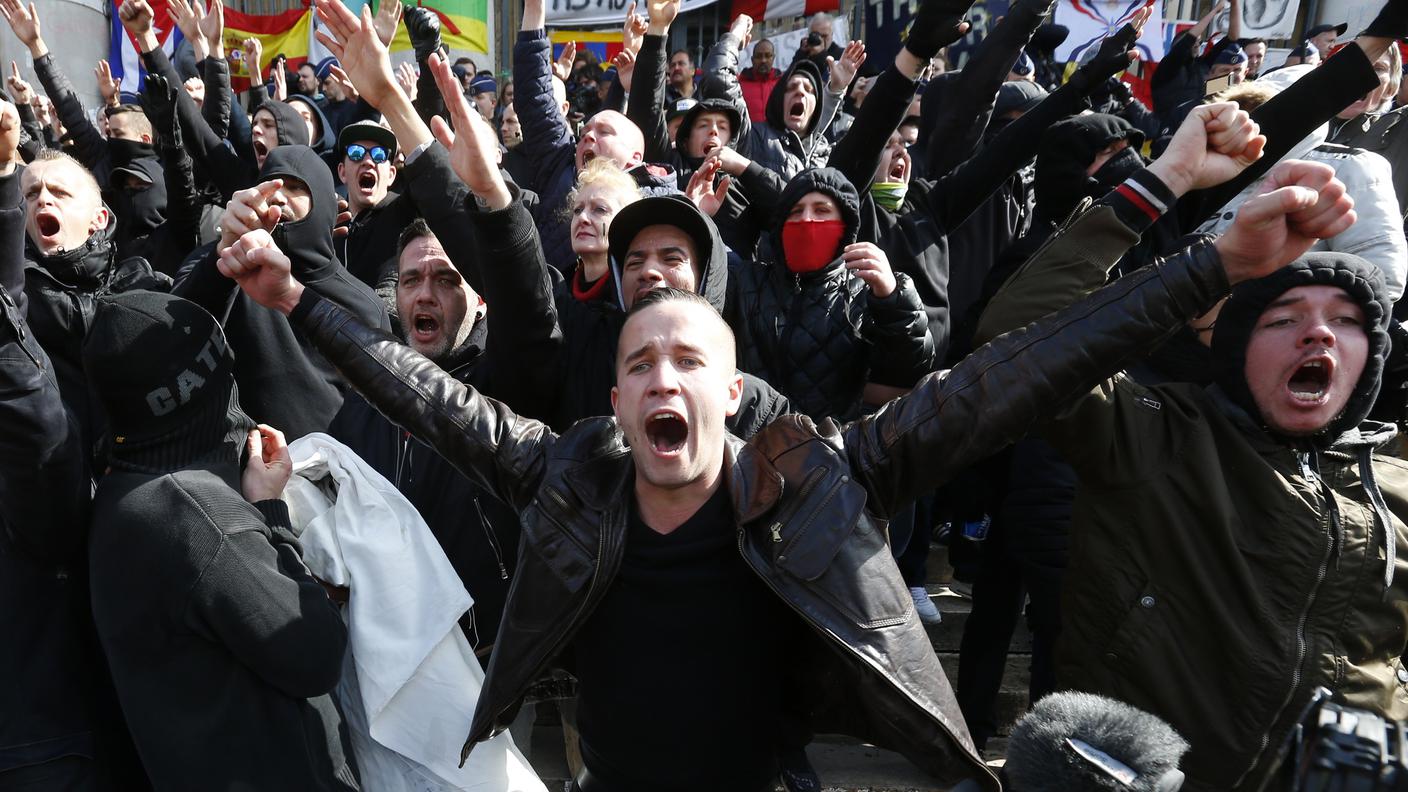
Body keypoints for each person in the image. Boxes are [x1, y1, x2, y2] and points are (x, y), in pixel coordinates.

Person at [216, 68, 1317, 789]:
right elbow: (429, 397)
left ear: (732, 392)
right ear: (615, 403)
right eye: (639, 361)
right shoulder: (572, 476)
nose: (662, 376)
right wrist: (295, 299)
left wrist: (1210, 263)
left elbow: (1012, 377)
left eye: (689, 358)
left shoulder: (823, 481)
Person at [976, 153, 1396, 789]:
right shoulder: (1156, 433)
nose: (1319, 336)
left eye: (1345, 321)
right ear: (1234, 349)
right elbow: (1019, 332)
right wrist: (1181, 200)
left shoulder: (1392, 479)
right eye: (1283, 320)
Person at [81, 290, 355, 790]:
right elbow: (314, 654)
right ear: (200, 390)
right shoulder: (199, 513)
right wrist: (271, 514)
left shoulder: (121, 490)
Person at [739, 37, 780, 121]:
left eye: (768, 56)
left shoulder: (783, 83)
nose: (763, 60)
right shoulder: (738, 84)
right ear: (752, 59)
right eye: (759, 56)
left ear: (773, 58)